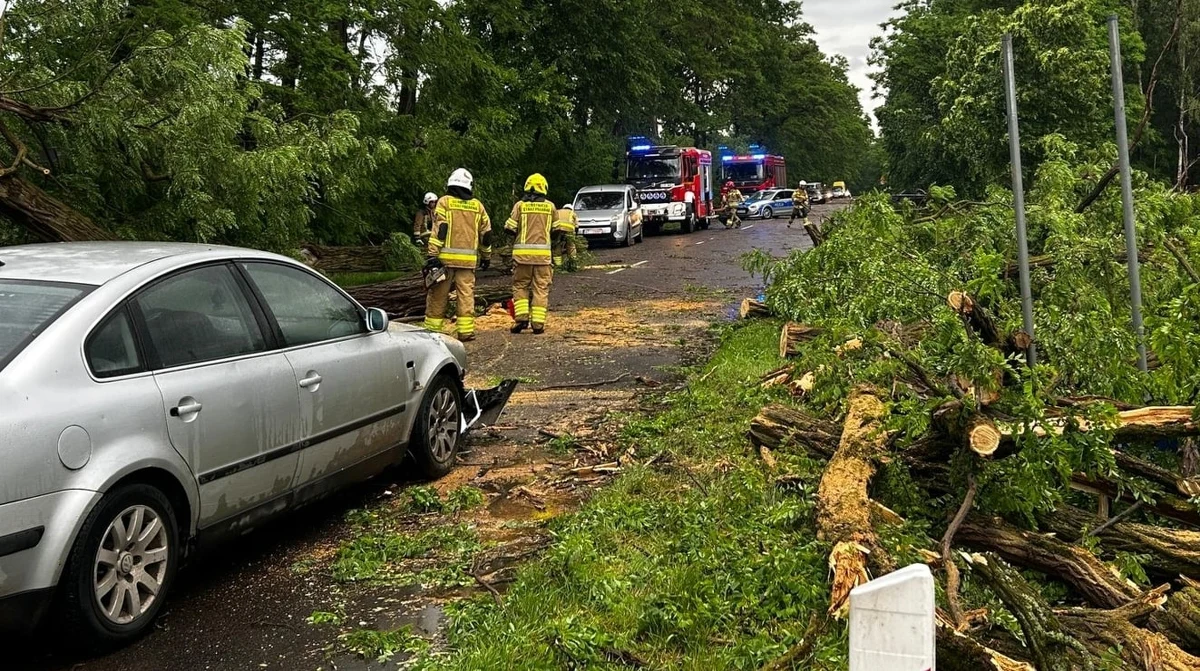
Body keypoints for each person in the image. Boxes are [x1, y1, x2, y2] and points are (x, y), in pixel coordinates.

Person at [423, 169, 492, 342]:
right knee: (466, 295)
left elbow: (440, 230)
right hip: (468, 262)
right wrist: (486, 256)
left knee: (438, 295)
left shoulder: (445, 202)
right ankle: (466, 331)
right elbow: (486, 234)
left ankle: (432, 331)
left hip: (444, 261)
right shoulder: (478, 206)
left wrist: (432, 255)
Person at [505, 173, 557, 334]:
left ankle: (521, 319)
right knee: (541, 288)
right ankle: (538, 324)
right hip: (543, 258)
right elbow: (556, 232)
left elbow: (509, 228)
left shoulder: (520, 206)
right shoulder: (550, 207)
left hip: (522, 257)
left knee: (521, 286)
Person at [552, 202, 578, 268]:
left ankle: (558, 265)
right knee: (571, 246)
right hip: (569, 230)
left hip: (558, 229)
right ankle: (572, 263)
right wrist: (575, 237)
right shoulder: (573, 213)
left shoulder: (558, 211)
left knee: (557, 246)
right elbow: (577, 226)